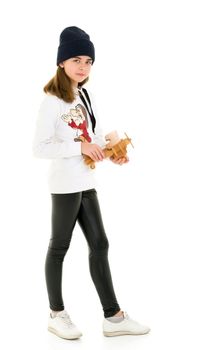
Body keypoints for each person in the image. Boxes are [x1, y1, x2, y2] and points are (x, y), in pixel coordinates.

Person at [33, 26, 150, 340]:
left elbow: (91, 137)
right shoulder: (52, 100)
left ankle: (113, 317)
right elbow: (40, 147)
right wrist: (80, 148)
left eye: (88, 61)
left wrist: (110, 153)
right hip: (64, 185)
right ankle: (56, 314)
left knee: (100, 244)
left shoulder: (86, 94)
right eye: (76, 59)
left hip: (86, 180)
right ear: (61, 62)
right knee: (59, 247)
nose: (83, 66)